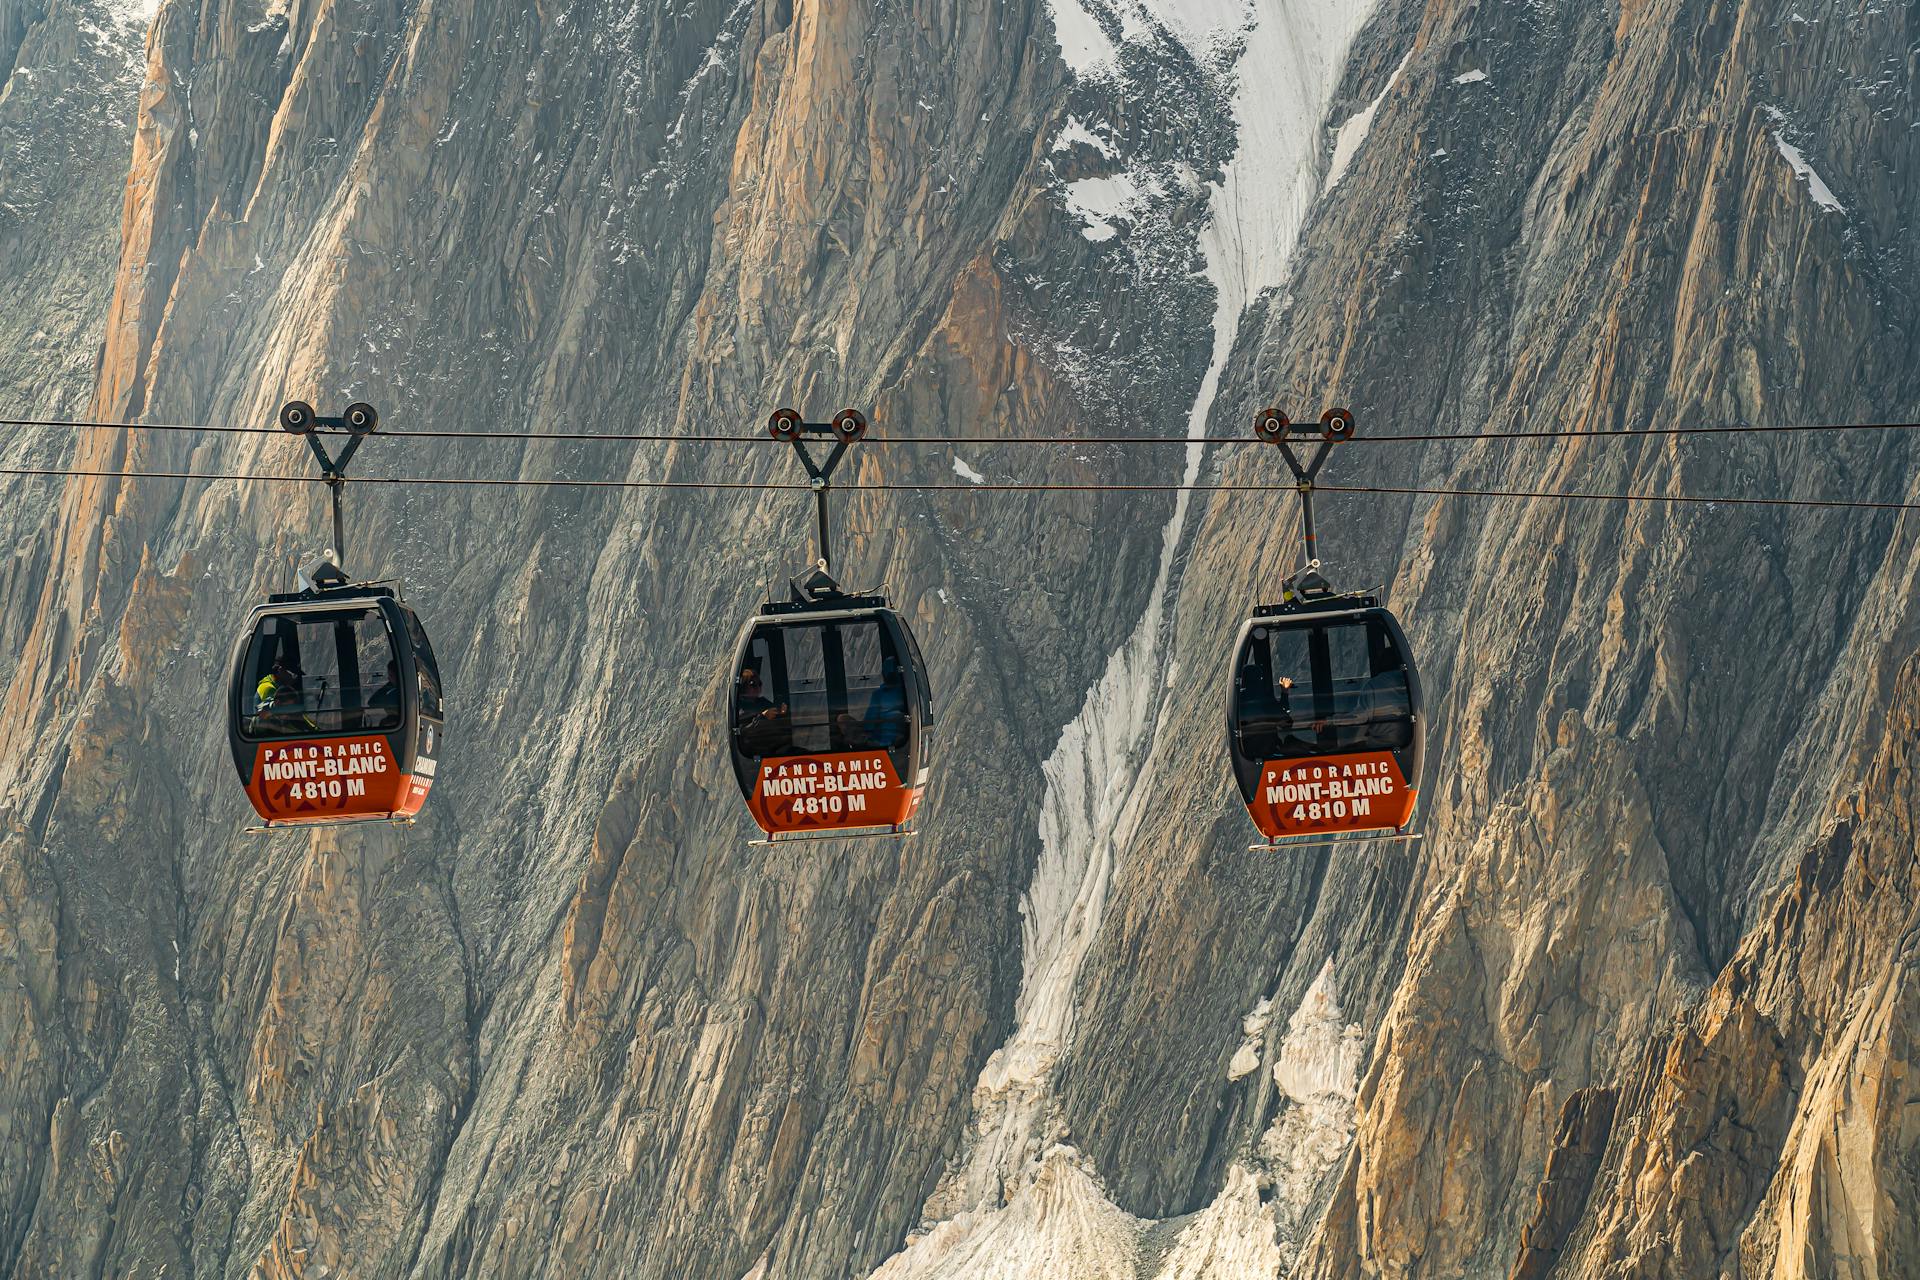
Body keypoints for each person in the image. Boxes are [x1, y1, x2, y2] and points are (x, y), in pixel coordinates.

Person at [736, 666, 790, 755]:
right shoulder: (739, 706)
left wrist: (782, 712)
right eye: (753, 684)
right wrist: (763, 717)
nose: (758, 687)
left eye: (759, 684)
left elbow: (775, 713)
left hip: (775, 745)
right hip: (757, 750)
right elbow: (743, 731)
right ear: (743, 686)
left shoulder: (762, 701)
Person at [365, 657, 403, 729]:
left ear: (399, 675)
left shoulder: (393, 694)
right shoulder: (395, 691)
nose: (389, 678)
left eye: (391, 676)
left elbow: (372, 702)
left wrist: (390, 684)